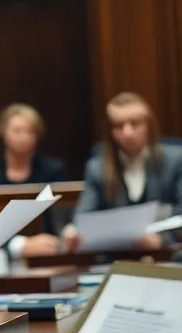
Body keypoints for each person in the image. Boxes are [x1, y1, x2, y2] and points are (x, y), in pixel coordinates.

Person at [64, 92, 182, 252]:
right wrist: (74, 233)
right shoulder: (96, 168)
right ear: (110, 131)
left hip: (165, 254)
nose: (127, 132)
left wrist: (161, 240)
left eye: (135, 123)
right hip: (115, 255)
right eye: (118, 126)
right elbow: (84, 218)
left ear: (149, 125)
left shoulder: (176, 160)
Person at [0, 103, 67, 258]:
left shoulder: (53, 170)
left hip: (50, 250)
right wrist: (19, 245)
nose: (23, 137)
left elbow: (62, 218)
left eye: (30, 131)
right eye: (17, 131)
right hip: (0, 254)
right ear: (3, 132)